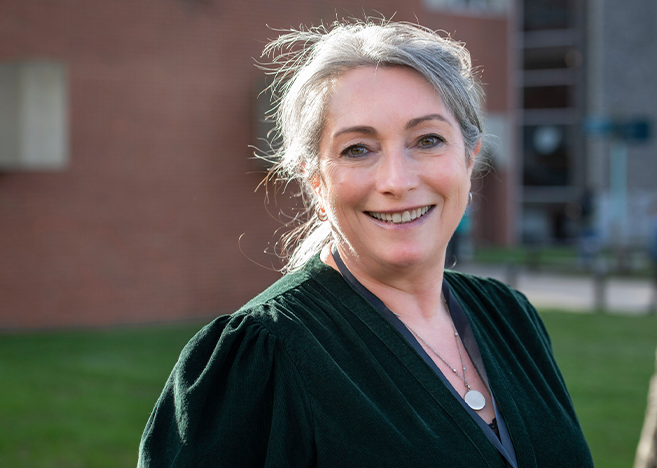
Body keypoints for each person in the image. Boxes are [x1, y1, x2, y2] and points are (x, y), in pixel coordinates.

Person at [138, 19, 593, 468]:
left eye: (428, 140)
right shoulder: (264, 355)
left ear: (470, 161)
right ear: (316, 182)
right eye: (358, 149)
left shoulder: (512, 318)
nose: (397, 181)